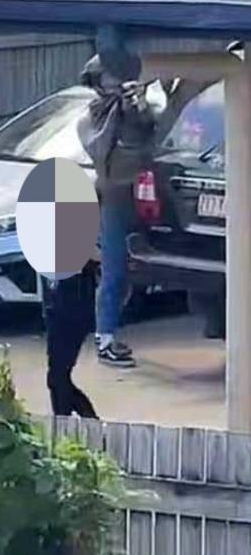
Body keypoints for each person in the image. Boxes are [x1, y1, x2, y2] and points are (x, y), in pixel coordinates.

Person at [78, 55, 157, 368]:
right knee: (114, 269)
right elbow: (99, 149)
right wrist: (121, 114)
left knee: (141, 265)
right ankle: (105, 338)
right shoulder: (91, 117)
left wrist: (138, 107)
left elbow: (152, 132)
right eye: (110, 77)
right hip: (115, 195)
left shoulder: (137, 108)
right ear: (98, 82)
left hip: (149, 192)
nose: (117, 83)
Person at [42, 263, 99, 418]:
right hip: (56, 312)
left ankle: (70, 421)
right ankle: (83, 419)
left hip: (73, 314)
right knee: (57, 377)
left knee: (58, 377)